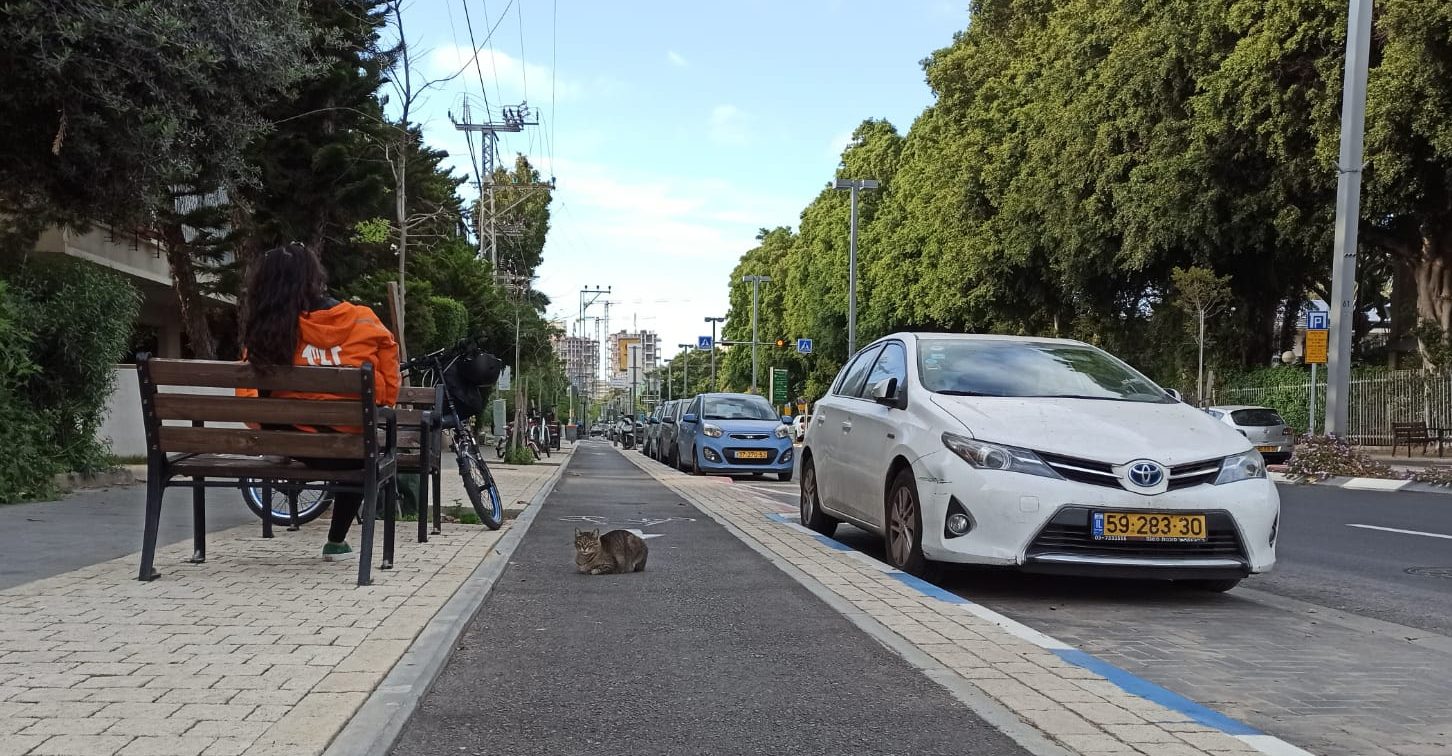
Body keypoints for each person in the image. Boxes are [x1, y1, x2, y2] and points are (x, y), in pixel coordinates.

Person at [239, 243, 400, 561]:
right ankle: (336, 542)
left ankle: (282, 444)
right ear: (316, 278)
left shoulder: (268, 332)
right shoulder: (365, 321)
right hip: (347, 450)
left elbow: (248, 402)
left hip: (289, 442)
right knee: (361, 454)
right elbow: (388, 393)